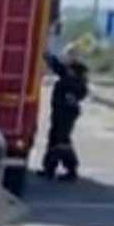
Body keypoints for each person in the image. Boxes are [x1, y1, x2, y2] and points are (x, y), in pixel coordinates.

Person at [41, 45, 89, 180]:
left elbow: (82, 90)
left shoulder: (78, 71)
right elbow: (58, 67)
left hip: (67, 111)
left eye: (71, 55)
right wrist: (48, 57)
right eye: (68, 54)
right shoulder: (69, 70)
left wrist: (73, 96)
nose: (68, 57)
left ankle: (71, 169)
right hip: (59, 108)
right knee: (54, 137)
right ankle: (49, 168)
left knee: (62, 140)